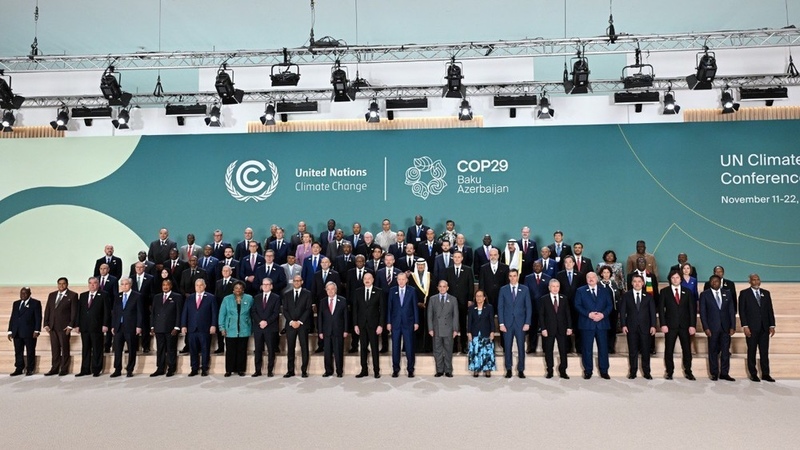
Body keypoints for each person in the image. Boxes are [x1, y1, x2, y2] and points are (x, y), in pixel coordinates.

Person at [659, 270, 696, 380]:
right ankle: (669, 371)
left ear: (681, 279)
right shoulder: (664, 291)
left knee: (687, 350)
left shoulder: (688, 291)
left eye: (677, 278)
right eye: (673, 278)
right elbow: (661, 310)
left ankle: (688, 371)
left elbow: (692, 310)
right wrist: (663, 324)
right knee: (669, 349)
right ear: (670, 279)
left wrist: (692, 325)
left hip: (685, 326)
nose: (675, 280)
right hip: (670, 326)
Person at [739, 273, 776, 382]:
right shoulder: (744, 293)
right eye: (753, 280)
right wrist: (745, 326)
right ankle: (753, 374)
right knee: (752, 351)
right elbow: (742, 311)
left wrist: (772, 325)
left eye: (758, 279)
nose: (756, 281)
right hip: (751, 328)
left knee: (764, 352)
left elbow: (770, 310)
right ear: (749, 281)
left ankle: (765, 374)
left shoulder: (766, 293)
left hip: (764, 328)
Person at [575, 272, 612, 379]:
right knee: (587, 348)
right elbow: (577, 305)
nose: (591, 279)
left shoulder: (605, 290)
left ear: (597, 278)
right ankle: (588, 370)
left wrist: (603, 314)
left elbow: (610, 305)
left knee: (603, 348)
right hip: (587, 323)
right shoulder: (580, 291)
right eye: (589, 277)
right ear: (586, 279)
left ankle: (604, 370)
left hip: (602, 323)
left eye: (593, 277)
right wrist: (588, 314)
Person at [699, 275, 736, 381]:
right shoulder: (705, 295)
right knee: (713, 351)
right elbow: (703, 313)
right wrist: (706, 327)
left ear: (720, 282)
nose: (714, 283)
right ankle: (714, 373)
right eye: (712, 281)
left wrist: (733, 326)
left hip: (726, 327)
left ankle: (724, 373)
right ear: (710, 283)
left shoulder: (727, 293)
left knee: (725, 351)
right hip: (712, 328)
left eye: (716, 281)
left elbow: (731, 311)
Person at [619, 274, 656, 379]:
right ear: (631, 283)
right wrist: (623, 325)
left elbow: (652, 312)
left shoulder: (648, 296)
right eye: (635, 281)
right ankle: (633, 372)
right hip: (631, 327)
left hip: (645, 327)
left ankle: (647, 372)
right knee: (633, 351)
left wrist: (653, 325)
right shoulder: (626, 295)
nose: (637, 283)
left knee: (645, 351)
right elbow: (622, 312)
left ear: (643, 283)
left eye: (639, 281)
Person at [498, 268, 532, 378]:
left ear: (518, 276)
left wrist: (527, 322)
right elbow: (500, 307)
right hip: (507, 324)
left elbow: (528, 307)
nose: (513, 278)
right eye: (511, 276)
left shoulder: (525, 289)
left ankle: (521, 369)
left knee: (521, 347)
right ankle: (508, 369)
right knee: (507, 347)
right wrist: (501, 323)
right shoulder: (503, 289)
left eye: (514, 275)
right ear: (508, 277)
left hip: (521, 324)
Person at [181, 279, 218, 377]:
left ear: (205, 286)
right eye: (197, 285)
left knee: (205, 349)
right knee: (193, 349)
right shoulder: (189, 298)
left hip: (205, 328)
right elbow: (185, 312)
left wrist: (213, 325)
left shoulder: (211, 297)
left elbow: (214, 313)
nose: (199, 287)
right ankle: (194, 368)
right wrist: (183, 325)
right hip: (192, 328)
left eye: (201, 285)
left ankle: (205, 368)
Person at [43, 277, 79, 376]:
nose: (61, 285)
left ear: (67, 284)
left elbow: (74, 312)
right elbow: (48, 310)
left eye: (63, 284)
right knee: (55, 349)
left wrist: (70, 325)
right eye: (59, 284)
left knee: (65, 348)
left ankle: (64, 369)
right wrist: (45, 323)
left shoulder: (72, 295)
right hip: (52, 327)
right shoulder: (52, 295)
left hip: (64, 327)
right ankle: (54, 368)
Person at [75, 277, 110, 377]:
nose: (92, 285)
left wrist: (105, 324)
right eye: (90, 283)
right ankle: (85, 369)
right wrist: (77, 325)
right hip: (84, 327)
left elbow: (107, 312)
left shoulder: (104, 295)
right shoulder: (83, 295)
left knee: (97, 348)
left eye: (94, 283)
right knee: (85, 348)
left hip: (97, 327)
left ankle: (96, 369)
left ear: (98, 284)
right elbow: (79, 312)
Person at [387, 272, 419, 378]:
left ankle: (410, 369)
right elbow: (389, 308)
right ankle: (395, 369)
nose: (401, 281)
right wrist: (388, 322)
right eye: (399, 279)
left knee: (409, 347)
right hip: (395, 323)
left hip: (408, 323)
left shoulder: (412, 290)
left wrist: (416, 322)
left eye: (403, 279)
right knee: (395, 347)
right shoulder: (392, 291)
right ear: (397, 280)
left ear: (406, 280)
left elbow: (415, 307)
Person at [538, 279, 572, 379]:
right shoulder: (544, 299)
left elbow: (568, 314)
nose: (555, 288)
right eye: (553, 286)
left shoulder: (564, 298)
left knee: (563, 350)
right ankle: (550, 370)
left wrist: (569, 327)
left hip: (562, 329)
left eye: (557, 286)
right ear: (549, 287)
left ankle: (563, 370)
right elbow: (541, 315)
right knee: (548, 350)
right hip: (548, 329)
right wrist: (543, 328)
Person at [353, 273, 384, 378]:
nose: (367, 280)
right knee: (363, 348)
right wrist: (355, 324)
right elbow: (355, 310)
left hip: (374, 325)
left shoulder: (379, 292)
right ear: (363, 280)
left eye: (369, 278)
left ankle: (376, 371)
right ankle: (364, 370)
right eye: (365, 278)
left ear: (373, 280)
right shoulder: (358, 292)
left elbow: (382, 311)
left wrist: (380, 325)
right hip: (361, 325)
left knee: (374, 348)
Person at [219, 280, 253, 377]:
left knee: (242, 350)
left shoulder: (249, 298)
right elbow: (222, 314)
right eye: (236, 288)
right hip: (230, 329)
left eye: (240, 288)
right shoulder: (227, 299)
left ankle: (241, 369)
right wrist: (222, 328)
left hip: (244, 328)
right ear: (233, 289)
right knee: (230, 350)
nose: (238, 290)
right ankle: (229, 370)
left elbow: (252, 313)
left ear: (243, 289)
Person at [110, 278, 143, 378]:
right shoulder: (118, 296)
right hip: (119, 327)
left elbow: (140, 313)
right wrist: (113, 325)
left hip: (131, 327)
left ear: (130, 285)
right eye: (122, 284)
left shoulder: (137, 296)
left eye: (126, 284)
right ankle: (117, 369)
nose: (124, 286)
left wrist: (139, 326)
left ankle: (130, 369)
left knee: (132, 349)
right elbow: (115, 312)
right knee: (117, 349)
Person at [149, 279, 182, 377]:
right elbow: (153, 313)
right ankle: (160, 368)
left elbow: (179, 313)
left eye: (167, 285)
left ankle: (171, 368)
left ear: (171, 286)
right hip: (159, 327)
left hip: (171, 328)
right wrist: (152, 326)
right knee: (160, 349)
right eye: (163, 285)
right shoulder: (157, 297)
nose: (165, 286)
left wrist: (177, 327)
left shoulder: (177, 297)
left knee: (171, 349)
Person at [627, 256, 659, 355]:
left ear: (646, 264)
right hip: (636, 305)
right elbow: (629, 291)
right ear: (636, 264)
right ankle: (638, 348)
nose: (641, 264)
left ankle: (651, 348)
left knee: (650, 327)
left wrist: (656, 306)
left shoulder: (651, 276)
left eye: (643, 263)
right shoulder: (631, 275)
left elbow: (656, 291)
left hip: (649, 305)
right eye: (639, 263)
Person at [7, 287, 42, 376]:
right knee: (18, 351)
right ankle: (19, 368)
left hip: (29, 332)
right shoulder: (16, 303)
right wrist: (10, 330)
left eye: (25, 293)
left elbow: (38, 318)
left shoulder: (35, 303)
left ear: (30, 293)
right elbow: (13, 317)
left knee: (30, 351)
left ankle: (30, 369)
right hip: (17, 332)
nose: (23, 295)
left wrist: (37, 330)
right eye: (21, 293)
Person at [428, 280, 459, 377]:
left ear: (447, 288)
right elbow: (430, 315)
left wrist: (455, 329)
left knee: (448, 350)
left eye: (444, 286)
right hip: (436, 329)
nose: (442, 288)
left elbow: (455, 316)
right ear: (437, 288)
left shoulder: (453, 299)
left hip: (448, 329)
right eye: (440, 286)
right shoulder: (433, 299)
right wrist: (430, 329)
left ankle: (448, 370)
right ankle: (439, 370)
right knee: (437, 351)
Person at [282, 274, 312, 378]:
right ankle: (290, 370)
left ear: (302, 282)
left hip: (302, 325)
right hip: (290, 325)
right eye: (295, 281)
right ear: (292, 282)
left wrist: (299, 321)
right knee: (290, 348)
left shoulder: (307, 294)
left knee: (304, 348)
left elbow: (308, 309)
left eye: (299, 281)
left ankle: (304, 370)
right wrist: (291, 321)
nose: (296, 282)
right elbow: (284, 310)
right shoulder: (287, 294)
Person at [251, 278, 281, 377]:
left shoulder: (276, 297)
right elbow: (253, 312)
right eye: (264, 284)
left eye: (268, 284)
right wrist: (260, 321)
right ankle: (258, 370)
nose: (266, 286)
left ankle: (269, 370)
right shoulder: (257, 297)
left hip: (270, 327)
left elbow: (276, 313)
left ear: (271, 286)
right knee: (258, 349)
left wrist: (266, 322)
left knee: (271, 350)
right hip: (258, 327)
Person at [445, 251, 474, 354]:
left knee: (462, 324)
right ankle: (453, 347)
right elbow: (445, 286)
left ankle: (464, 346)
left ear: (462, 258)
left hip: (463, 301)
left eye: (459, 257)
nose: (457, 259)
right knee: (451, 324)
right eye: (455, 257)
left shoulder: (467, 270)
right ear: (453, 258)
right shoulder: (448, 270)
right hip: (450, 302)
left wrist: (470, 299)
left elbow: (470, 285)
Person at [555, 255, 585, 353]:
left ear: (573, 263)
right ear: (564, 264)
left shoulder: (580, 275)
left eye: (570, 262)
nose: (568, 264)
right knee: (565, 326)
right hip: (564, 305)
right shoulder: (559, 275)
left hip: (577, 305)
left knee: (577, 326)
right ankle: (567, 348)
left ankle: (579, 347)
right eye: (566, 262)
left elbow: (582, 290)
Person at [318, 281, 348, 377]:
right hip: (326, 331)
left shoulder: (342, 300)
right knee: (327, 352)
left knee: (338, 352)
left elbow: (346, 317)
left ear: (336, 290)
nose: (330, 291)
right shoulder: (322, 302)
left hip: (338, 330)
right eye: (328, 289)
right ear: (326, 291)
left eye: (332, 289)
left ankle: (339, 371)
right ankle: (328, 371)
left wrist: (346, 330)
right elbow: (320, 318)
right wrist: (320, 331)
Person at [467, 290, 496, 377]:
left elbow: (491, 321)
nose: (478, 298)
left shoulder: (489, 307)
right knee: (475, 351)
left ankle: (487, 369)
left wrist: (492, 331)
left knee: (486, 352)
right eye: (477, 296)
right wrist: (469, 332)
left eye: (480, 296)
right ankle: (476, 369)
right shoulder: (471, 308)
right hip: (475, 333)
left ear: (484, 298)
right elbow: (470, 322)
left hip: (486, 332)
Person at [524, 260, 551, 354]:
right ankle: (531, 347)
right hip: (532, 306)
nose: (536, 267)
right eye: (535, 266)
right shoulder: (528, 278)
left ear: (542, 267)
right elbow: (526, 292)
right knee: (532, 328)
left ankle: (545, 348)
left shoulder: (548, 278)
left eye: (538, 266)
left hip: (544, 307)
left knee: (545, 328)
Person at [597, 266, 622, 355]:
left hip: (613, 311)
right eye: (604, 272)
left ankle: (611, 347)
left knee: (612, 330)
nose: (606, 274)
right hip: (603, 312)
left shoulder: (613, 284)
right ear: (601, 274)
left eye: (608, 272)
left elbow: (618, 297)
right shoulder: (598, 284)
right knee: (604, 330)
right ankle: (604, 348)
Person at [131, 262, 155, 353]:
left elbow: (152, 292)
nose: (139, 269)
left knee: (145, 327)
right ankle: (134, 346)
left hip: (145, 305)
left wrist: (151, 304)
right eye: (137, 267)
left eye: (141, 267)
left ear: (144, 268)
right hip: (133, 306)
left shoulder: (150, 278)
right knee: (133, 326)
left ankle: (146, 346)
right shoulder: (131, 278)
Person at [410, 258, 432, 353]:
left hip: (428, 306)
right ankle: (417, 348)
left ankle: (427, 347)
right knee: (417, 326)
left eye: (422, 265)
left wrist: (428, 303)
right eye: (418, 265)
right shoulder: (412, 277)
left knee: (428, 326)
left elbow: (433, 291)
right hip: (416, 306)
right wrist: (417, 303)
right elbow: (410, 292)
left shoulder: (430, 276)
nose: (420, 266)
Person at [478, 248, 509, 313]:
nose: (493, 257)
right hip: (488, 298)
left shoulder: (505, 268)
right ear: (489, 256)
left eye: (495, 255)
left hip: (501, 297)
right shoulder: (483, 268)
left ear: (498, 256)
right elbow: (481, 284)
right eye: (491, 255)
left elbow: (507, 283)